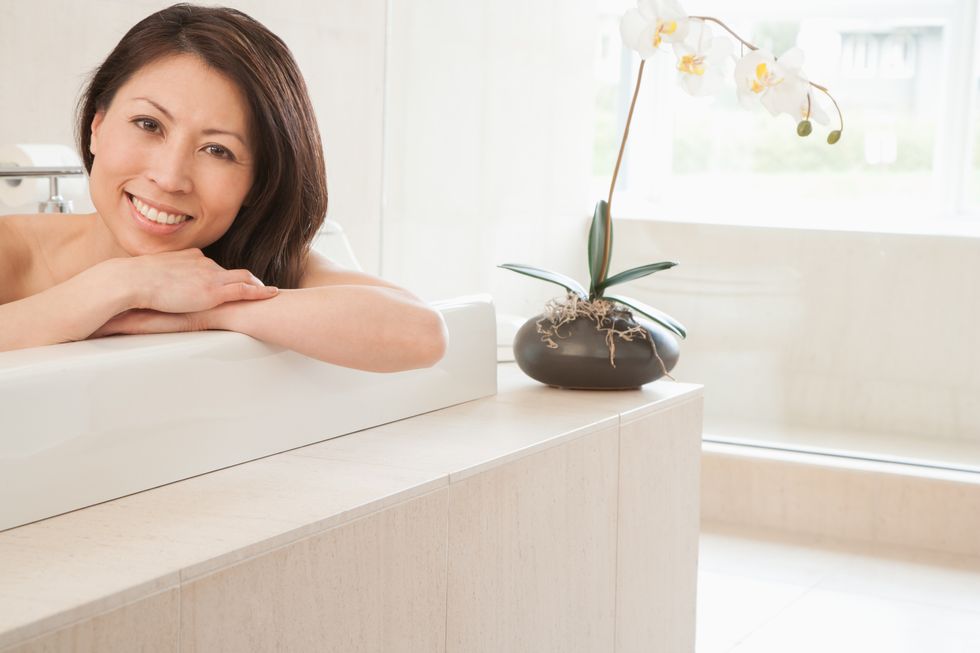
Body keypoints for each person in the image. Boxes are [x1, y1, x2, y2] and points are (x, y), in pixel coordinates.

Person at [0, 3, 448, 373]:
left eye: (217, 150)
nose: (170, 177)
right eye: (148, 124)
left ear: (256, 183)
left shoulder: (236, 269)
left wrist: (205, 312)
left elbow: (422, 332)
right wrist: (119, 284)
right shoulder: (12, 247)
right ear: (97, 126)